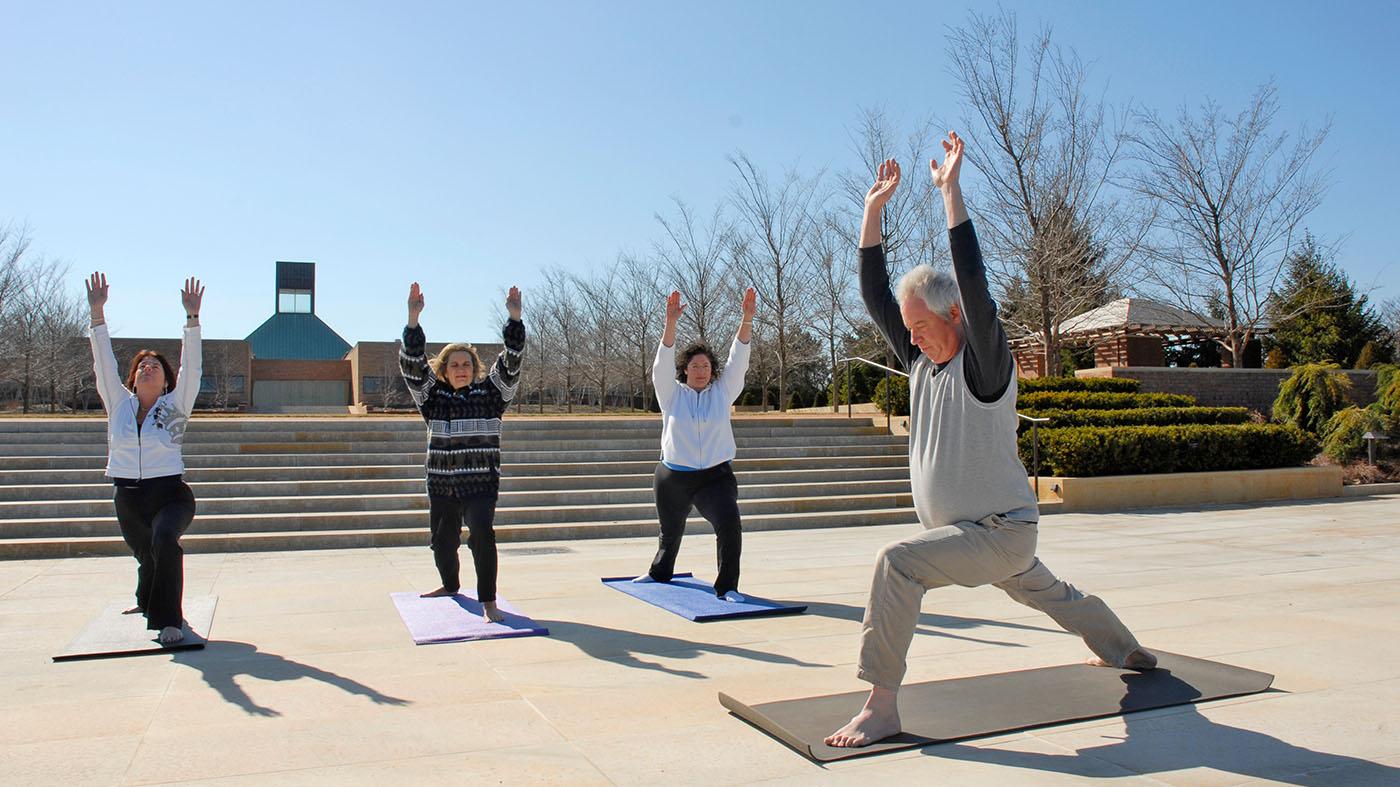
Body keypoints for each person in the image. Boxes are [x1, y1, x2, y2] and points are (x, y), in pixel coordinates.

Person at [825, 132, 1156, 748]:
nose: (914, 338)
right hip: (975, 536)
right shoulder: (922, 359)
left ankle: (881, 705)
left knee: (896, 565)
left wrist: (952, 195)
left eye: (923, 326)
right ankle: (1125, 649)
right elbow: (874, 296)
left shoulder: (985, 365)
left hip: (998, 531)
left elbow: (973, 283)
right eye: (909, 330)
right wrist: (873, 213)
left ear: (954, 318)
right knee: (1051, 594)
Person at [86, 272, 204, 644]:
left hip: (170, 494)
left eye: (155, 365)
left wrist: (192, 320)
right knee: (146, 554)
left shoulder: (175, 406)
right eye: (141, 366)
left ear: (166, 380)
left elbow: (194, 369)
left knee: (165, 540)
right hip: (128, 495)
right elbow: (103, 364)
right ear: (132, 378)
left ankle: (170, 619)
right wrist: (97, 314)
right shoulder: (119, 404)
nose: (148, 368)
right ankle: (146, 599)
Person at [398, 282, 524, 623]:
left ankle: (489, 601)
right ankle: (450, 585)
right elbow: (411, 367)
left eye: (466, 363)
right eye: (453, 364)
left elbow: (511, 364)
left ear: (475, 368)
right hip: (442, 487)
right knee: (442, 544)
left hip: (480, 485)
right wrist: (413, 318)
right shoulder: (432, 396)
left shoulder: (492, 395)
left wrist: (514, 319)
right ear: (444, 370)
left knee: (482, 536)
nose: (460, 369)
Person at [634, 287, 756, 600]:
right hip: (673, 476)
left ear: (713, 371)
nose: (701, 372)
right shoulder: (671, 393)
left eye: (706, 367)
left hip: (715, 477)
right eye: (695, 366)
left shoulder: (722, 392)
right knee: (669, 531)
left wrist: (746, 319)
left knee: (730, 526)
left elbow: (738, 359)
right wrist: (670, 322)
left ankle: (728, 586)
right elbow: (660, 365)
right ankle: (660, 571)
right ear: (685, 370)